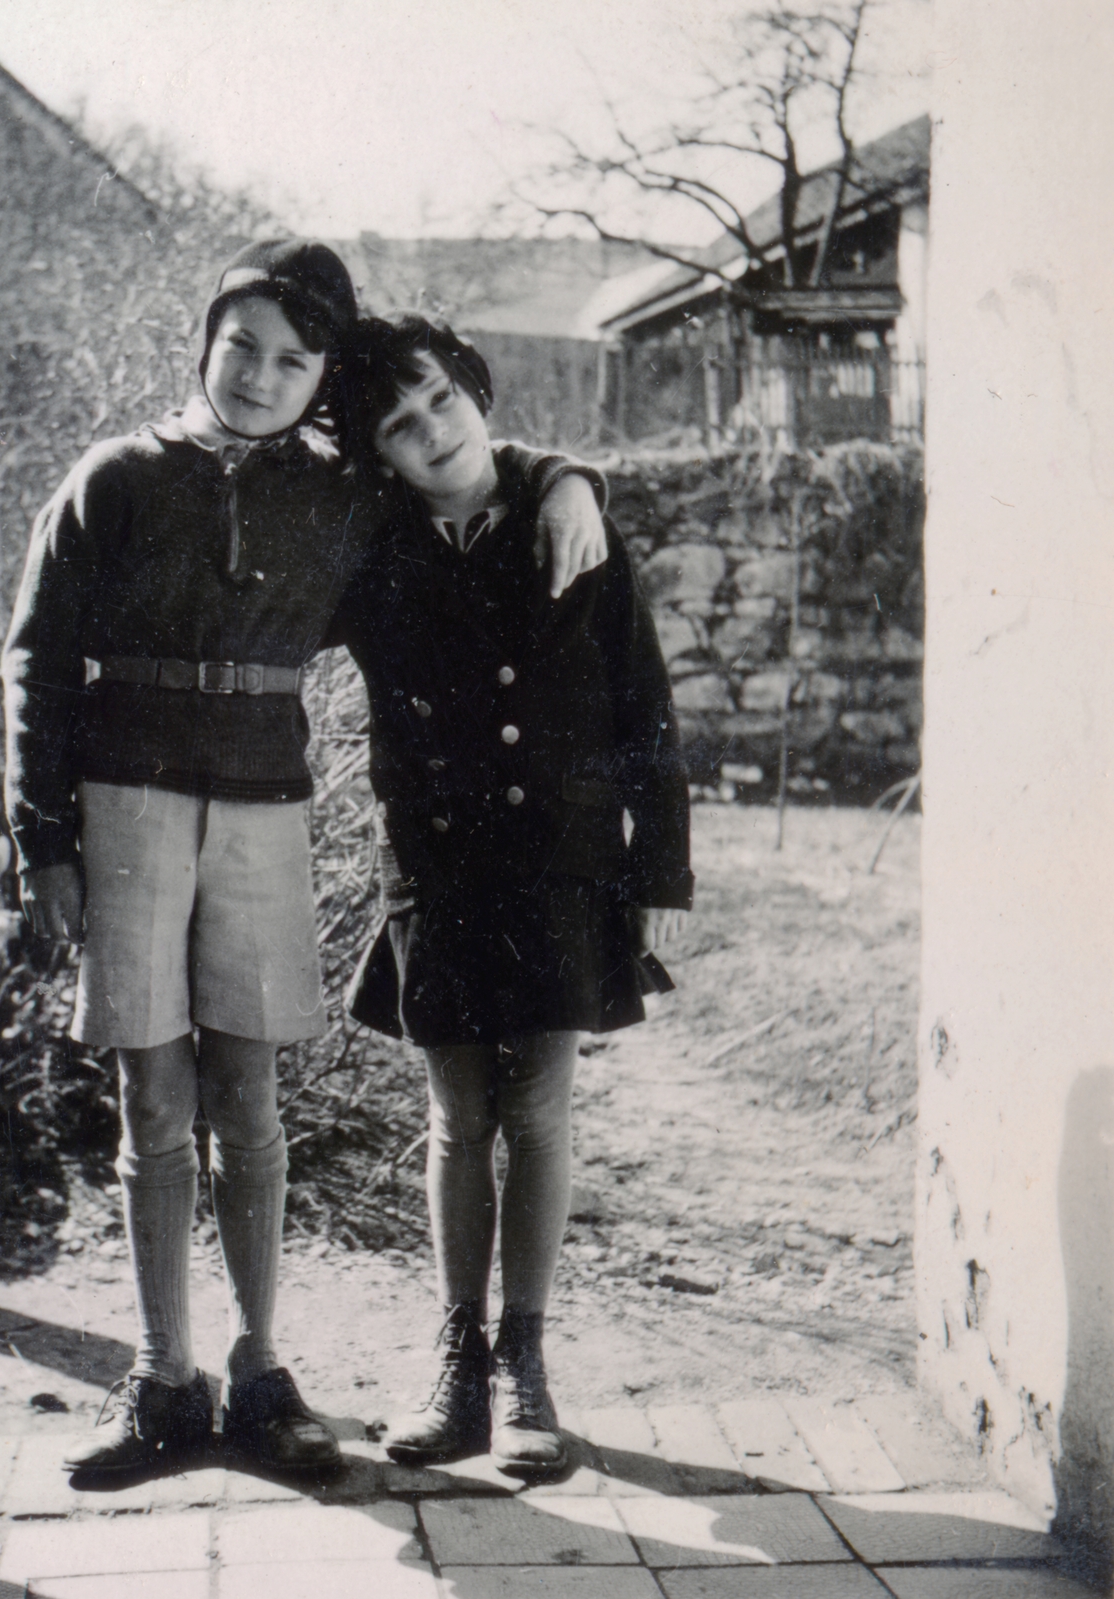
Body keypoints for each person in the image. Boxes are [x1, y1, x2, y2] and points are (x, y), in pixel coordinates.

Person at [1, 242, 607, 1478]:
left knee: (251, 1100)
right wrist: (41, 843)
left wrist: (568, 477)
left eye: (294, 360)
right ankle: (160, 1374)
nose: (263, 376)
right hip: (125, 807)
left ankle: (259, 1366)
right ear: (204, 341)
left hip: (265, 809)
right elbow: (36, 662)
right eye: (243, 346)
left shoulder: (341, 500)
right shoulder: (113, 479)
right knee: (152, 1101)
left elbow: (457, 470)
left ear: (319, 377)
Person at [335, 313, 694, 1477]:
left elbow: (645, 700)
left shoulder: (569, 523)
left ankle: (525, 1367)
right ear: (374, 453)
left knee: (537, 1113)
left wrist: (658, 868)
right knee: (458, 1119)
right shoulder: (370, 547)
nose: (429, 432)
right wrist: (560, 468)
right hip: (436, 869)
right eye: (396, 424)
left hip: (556, 859)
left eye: (439, 399)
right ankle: (457, 1367)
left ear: (474, 391)